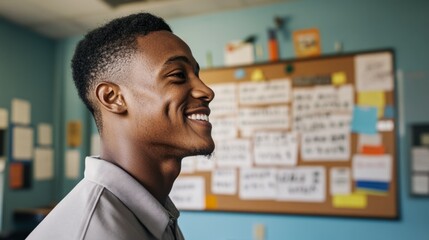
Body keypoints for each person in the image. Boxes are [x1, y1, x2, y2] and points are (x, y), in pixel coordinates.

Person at [27, 12, 215, 240]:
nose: (206, 91)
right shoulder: (93, 233)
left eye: (196, 75)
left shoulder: (153, 212)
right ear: (112, 98)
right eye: (178, 75)